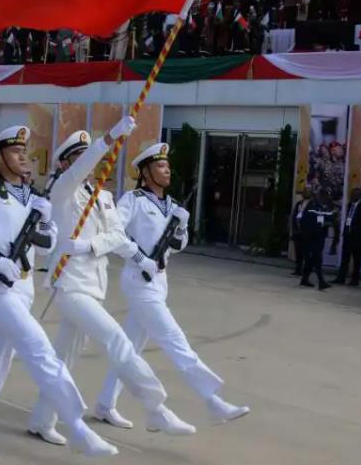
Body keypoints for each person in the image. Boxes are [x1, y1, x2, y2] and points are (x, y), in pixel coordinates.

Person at [0, 125, 118, 460]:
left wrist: (44, 224)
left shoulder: (33, 197)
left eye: (24, 151)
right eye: (15, 151)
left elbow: (46, 246)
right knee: (40, 350)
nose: (23, 157)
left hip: (23, 289)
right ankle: (78, 428)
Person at [35, 119, 195, 437]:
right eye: (78, 157)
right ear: (66, 163)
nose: (88, 164)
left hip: (95, 286)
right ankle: (156, 408)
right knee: (117, 340)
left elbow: (118, 237)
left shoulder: (104, 197)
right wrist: (109, 138)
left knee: (63, 357)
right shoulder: (63, 191)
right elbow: (80, 171)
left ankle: (42, 419)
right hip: (69, 286)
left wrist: (90, 245)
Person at [93, 143, 250, 429]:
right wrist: (140, 258)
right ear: (146, 172)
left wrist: (181, 228)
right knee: (175, 341)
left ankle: (105, 403)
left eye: (167, 165)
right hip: (139, 282)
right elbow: (113, 234)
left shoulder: (172, 205)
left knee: (129, 349)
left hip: (159, 281)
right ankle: (212, 400)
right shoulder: (133, 200)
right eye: (160, 166)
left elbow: (177, 246)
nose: (167, 170)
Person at [334, 187, 361, 286]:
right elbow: (348, 218)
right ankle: (341, 278)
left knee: (357, 259)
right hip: (347, 235)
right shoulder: (350, 205)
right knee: (345, 258)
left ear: (359, 195)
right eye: (352, 194)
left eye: (355, 194)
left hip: (357, 237)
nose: (352, 196)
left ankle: (355, 280)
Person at [299, 189, 334, 290]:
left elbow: (330, 220)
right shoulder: (311, 206)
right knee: (316, 258)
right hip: (311, 237)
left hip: (319, 237)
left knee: (311, 260)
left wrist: (326, 223)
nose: (325, 198)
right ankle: (321, 281)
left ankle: (305, 278)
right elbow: (307, 221)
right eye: (323, 195)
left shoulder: (325, 207)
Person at [290, 189, 311, 277]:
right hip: (297, 231)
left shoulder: (312, 204)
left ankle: (306, 270)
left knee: (305, 252)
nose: (305, 194)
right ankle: (298, 269)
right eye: (304, 192)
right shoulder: (299, 203)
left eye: (307, 192)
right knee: (298, 251)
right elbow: (294, 215)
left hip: (306, 231)